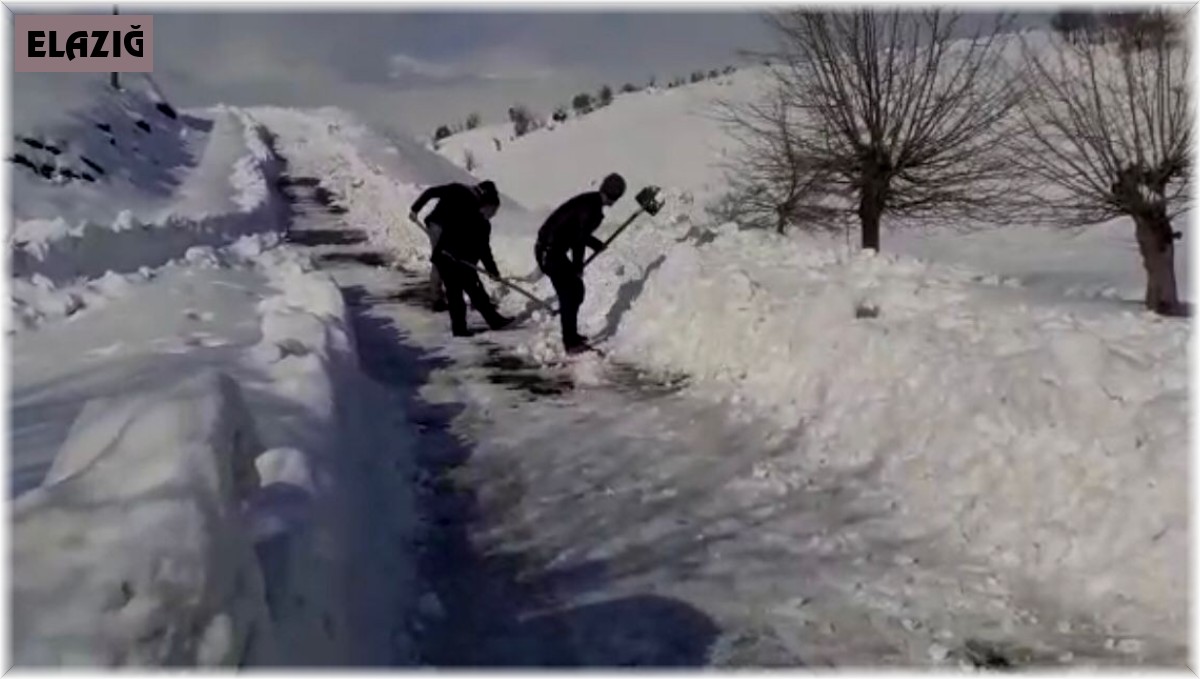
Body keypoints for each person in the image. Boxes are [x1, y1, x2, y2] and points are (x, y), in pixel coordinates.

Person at [534, 173, 626, 354]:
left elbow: (578, 233)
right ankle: (570, 342)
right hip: (549, 251)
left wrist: (596, 245)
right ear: (614, 197)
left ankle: (572, 335)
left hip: (552, 249)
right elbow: (578, 239)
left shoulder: (590, 202)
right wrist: (578, 267)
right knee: (570, 293)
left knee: (575, 291)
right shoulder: (591, 208)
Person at [410, 180, 512, 337]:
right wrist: (453, 253)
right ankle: (459, 328)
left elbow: (484, 251)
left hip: (462, 261)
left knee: (475, 290)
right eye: (493, 210)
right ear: (485, 205)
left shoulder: (484, 225)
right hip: (447, 258)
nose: (493, 215)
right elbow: (450, 234)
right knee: (455, 293)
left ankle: (493, 320)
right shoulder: (466, 212)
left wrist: (493, 271)